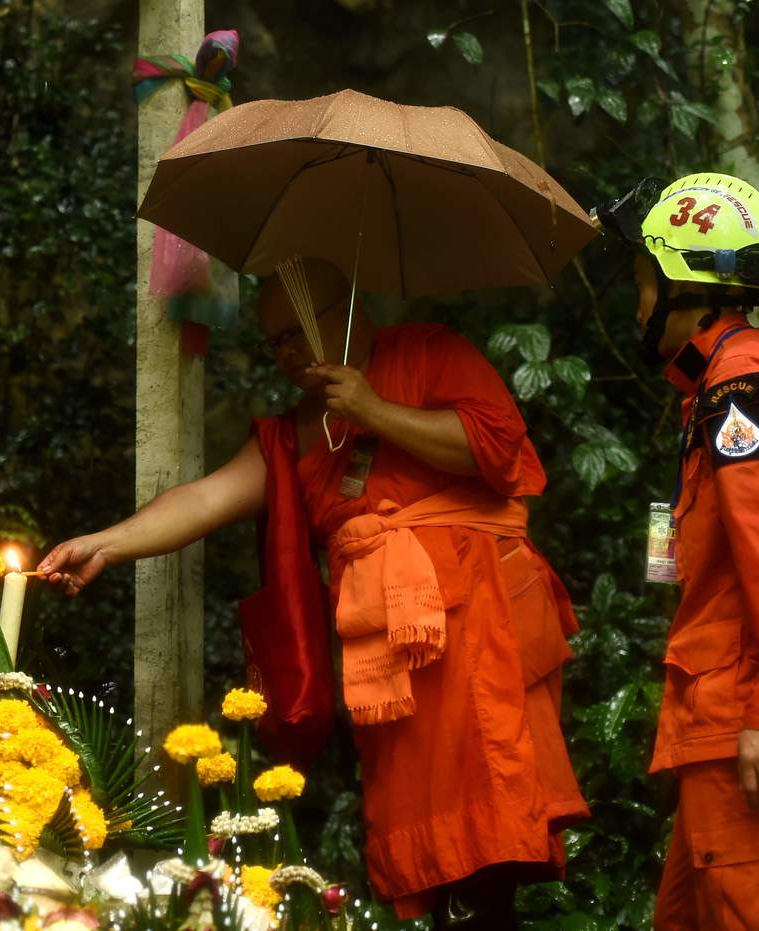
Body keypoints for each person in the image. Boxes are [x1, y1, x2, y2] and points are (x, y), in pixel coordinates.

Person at [40, 258, 587, 927]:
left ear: (346, 312)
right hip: (390, 657)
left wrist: (372, 409)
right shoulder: (298, 429)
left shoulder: (429, 351)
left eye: (298, 331)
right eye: (275, 341)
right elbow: (208, 496)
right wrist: (106, 541)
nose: (288, 353)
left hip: (478, 628)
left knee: (489, 849)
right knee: (439, 857)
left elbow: (493, 448)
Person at [593, 173, 759, 929]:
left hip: (743, 707)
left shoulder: (741, 382)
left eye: (646, 283)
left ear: (689, 288)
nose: (638, 304)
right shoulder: (717, 386)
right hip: (719, 704)